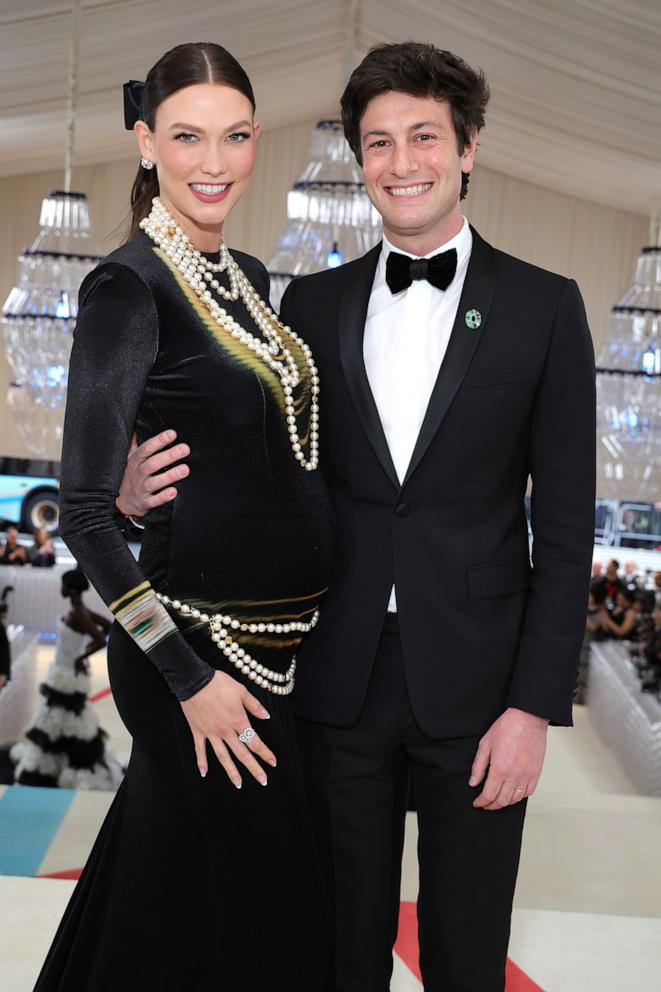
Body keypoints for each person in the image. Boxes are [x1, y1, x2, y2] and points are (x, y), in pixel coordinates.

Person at [118, 42, 596, 992]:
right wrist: (131, 496)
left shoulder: (546, 307)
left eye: (423, 136)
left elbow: (570, 527)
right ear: (358, 160)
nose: (400, 162)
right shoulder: (311, 302)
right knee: (335, 955)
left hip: (481, 693)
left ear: (467, 150)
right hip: (328, 685)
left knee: (465, 958)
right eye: (377, 143)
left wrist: (533, 706)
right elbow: (266, 478)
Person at [36, 43, 334, 991]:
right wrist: (186, 677)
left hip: (275, 652)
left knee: (171, 900)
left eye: (236, 136)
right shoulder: (129, 287)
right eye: (187, 137)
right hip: (195, 658)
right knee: (257, 916)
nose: (215, 162)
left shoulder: (240, 269)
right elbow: (85, 513)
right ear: (145, 141)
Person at [11, 570, 122, 789]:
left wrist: (81, 656)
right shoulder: (80, 611)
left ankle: (59, 765)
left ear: (70, 588)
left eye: (63, 585)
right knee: (62, 718)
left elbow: (102, 638)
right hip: (65, 671)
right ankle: (61, 761)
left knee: (58, 717)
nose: (60, 589)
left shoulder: (78, 614)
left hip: (65, 674)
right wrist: (83, 654)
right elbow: (108, 627)